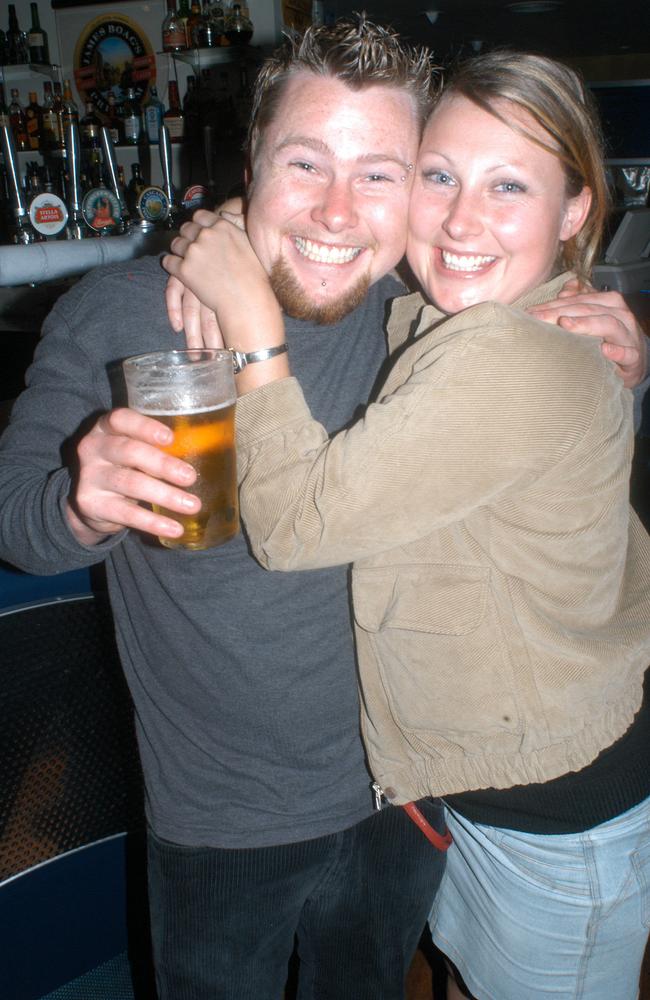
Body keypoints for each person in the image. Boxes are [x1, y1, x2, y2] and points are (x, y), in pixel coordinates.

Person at [162, 50, 650, 1000]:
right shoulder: (457, 317)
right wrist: (238, 219)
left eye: (509, 185)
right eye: (439, 176)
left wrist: (251, 314)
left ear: (577, 210)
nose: (463, 220)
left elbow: (298, 525)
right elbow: (337, 219)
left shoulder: (511, 351)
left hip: (555, 820)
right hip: (488, 792)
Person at [0, 19, 448, 1000]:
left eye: (378, 172)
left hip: (403, 790)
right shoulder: (120, 312)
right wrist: (80, 501)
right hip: (220, 824)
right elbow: (15, 524)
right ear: (249, 157)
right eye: (305, 161)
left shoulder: (430, 323)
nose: (336, 210)